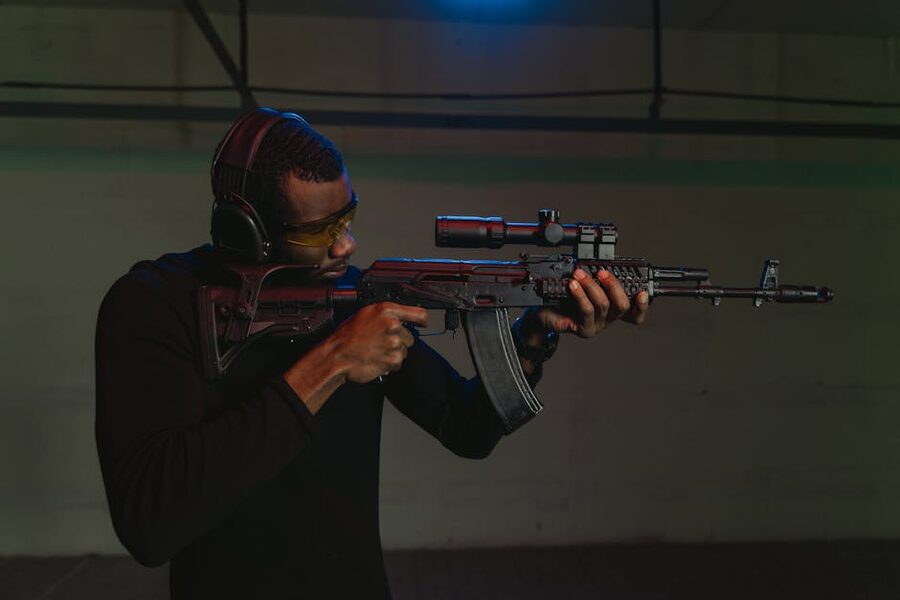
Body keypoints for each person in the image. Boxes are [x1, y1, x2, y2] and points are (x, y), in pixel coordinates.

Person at [94, 108, 649, 599]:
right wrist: (332, 360)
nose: (346, 245)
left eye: (348, 217)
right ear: (247, 230)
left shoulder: (354, 295)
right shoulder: (154, 303)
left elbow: (468, 428)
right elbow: (151, 525)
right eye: (322, 229)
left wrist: (533, 337)